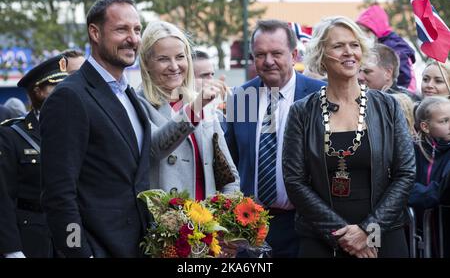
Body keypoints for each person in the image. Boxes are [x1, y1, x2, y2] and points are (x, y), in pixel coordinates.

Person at [283, 16, 415, 258]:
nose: (348, 52)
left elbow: (405, 173)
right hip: (321, 239)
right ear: (321, 55)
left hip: (383, 235)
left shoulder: (388, 107)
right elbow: (294, 180)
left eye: (354, 45)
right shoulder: (301, 111)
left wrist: (368, 231)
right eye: (338, 46)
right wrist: (342, 236)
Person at [39, 0, 151, 258]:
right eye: (121, 29)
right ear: (95, 33)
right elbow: (58, 194)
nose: (133, 38)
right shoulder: (70, 97)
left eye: (137, 29)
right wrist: (79, 254)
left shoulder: (129, 96)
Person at [224, 19, 326, 257]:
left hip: (304, 225)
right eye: (260, 54)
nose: (268, 61)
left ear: (294, 55)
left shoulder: (318, 95)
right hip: (249, 226)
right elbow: (231, 162)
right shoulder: (242, 97)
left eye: (276, 53)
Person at [137, 20, 240, 200]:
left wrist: (225, 214)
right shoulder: (137, 103)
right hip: (165, 222)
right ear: (146, 63)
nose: (174, 66)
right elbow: (154, 149)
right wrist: (196, 107)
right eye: (163, 59)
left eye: (180, 57)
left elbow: (230, 175)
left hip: (208, 221)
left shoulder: (201, 103)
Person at [0, 55, 68, 258]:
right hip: (31, 235)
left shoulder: (74, 129)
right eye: (55, 88)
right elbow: (3, 197)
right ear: (37, 91)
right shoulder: (11, 135)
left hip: (69, 232)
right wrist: (11, 250)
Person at [408, 96, 450, 257]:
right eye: (445, 121)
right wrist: (430, 194)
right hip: (417, 234)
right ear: (425, 126)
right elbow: (401, 185)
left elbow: (444, 191)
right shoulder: (411, 150)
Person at [356, 5, 417, 92]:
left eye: (365, 31)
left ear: (375, 29)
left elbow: (405, 77)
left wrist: (399, 96)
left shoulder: (395, 47)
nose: (362, 35)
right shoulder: (380, 43)